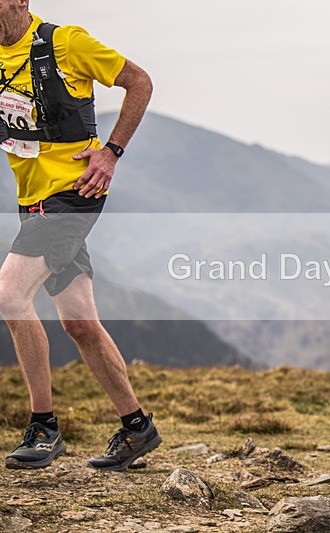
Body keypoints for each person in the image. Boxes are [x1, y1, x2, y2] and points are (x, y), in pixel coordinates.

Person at [0, 0, 161, 471]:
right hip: (32, 202)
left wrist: (111, 152)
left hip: (74, 195)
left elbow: (140, 82)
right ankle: (137, 427)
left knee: (9, 296)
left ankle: (44, 426)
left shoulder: (65, 42)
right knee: (79, 323)